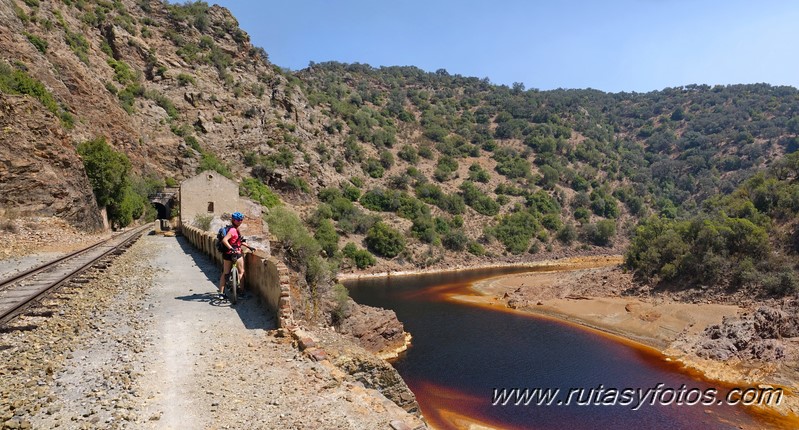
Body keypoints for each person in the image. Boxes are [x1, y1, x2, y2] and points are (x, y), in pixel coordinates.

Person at [217, 212, 255, 300]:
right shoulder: (233, 230)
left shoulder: (234, 229)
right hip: (235, 253)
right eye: (238, 220)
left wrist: (249, 246)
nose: (240, 221)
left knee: (225, 273)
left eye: (241, 220)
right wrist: (232, 248)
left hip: (227, 254)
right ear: (233, 220)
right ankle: (241, 292)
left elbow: (238, 241)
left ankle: (221, 293)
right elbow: (225, 240)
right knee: (241, 272)